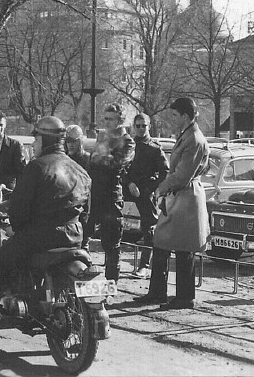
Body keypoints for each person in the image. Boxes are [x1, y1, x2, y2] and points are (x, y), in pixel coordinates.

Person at [0, 116, 91, 357]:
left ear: (44, 139)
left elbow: (20, 213)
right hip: (74, 238)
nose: (33, 143)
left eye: (36, 138)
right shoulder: (80, 169)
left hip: (38, 238)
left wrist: (15, 226)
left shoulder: (37, 167)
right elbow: (87, 212)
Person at [134, 97, 209, 310]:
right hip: (180, 196)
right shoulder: (188, 135)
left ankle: (185, 297)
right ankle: (158, 292)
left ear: (185, 115)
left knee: (183, 248)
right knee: (161, 242)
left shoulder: (194, 138)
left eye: (176, 115)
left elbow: (182, 175)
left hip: (186, 197)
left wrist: (160, 189)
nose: (173, 119)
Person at [86, 103, 135, 282]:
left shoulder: (127, 141)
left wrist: (101, 156)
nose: (106, 122)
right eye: (105, 118)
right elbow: (92, 162)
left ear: (120, 120)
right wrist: (100, 156)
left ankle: (111, 286)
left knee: (111, 245)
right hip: (94, 192)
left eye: (110, 119)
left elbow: (117, 164)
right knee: (84, 235)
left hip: (111, 194)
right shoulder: (102, 137)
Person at [124, 113, 169, 279]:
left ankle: (144, 266)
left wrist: (151, 189)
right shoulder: (128, 145)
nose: (141, 129)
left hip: (145, 192)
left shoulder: (155, 148)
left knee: (149, 229)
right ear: (134, 127)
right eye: (138, 126)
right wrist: (129, 183)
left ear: (149, 126)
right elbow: (121, 168)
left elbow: (165, 172)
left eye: (144, 126)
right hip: (127, 189)